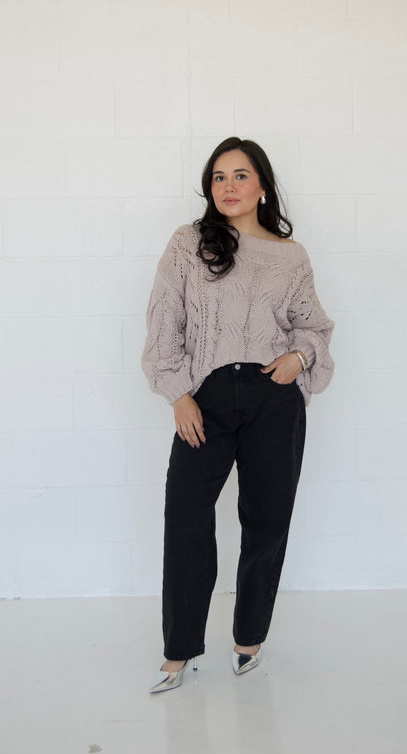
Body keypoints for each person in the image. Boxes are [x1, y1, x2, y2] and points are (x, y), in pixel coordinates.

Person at [141, 136, 335, 693]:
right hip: (206, 397)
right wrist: (179, 395)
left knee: (267, 520)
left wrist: (298, 359)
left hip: (273, 397)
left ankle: (249, 642)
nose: (228, 187)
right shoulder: (188, 244)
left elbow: (314, 326)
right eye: (218, 177)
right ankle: (179, 651)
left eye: (240, 176)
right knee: (185, 519)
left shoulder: (291, 256)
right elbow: (164, 325)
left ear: (263, 186)